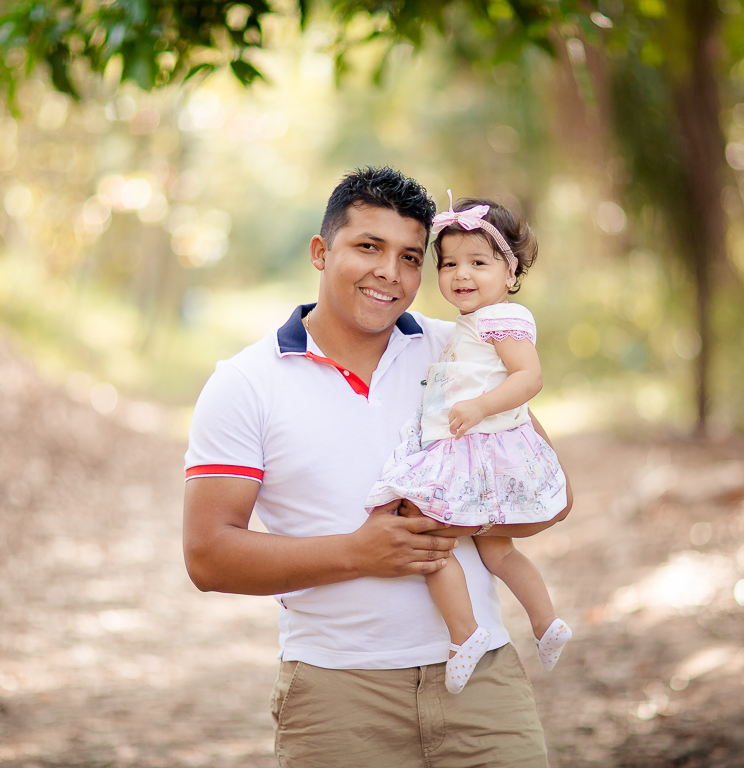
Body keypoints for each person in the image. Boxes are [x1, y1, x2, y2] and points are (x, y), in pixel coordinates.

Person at [182, 166, 572, 768]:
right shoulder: (246, 384)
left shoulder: (460, 348)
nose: (390, 271)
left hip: (484, 686)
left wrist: (463, 519)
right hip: (338, 694)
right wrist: (358, 553)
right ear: (321, 251)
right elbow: (208, 556)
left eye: (411, 257)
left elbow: (552, 495)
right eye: (369, 247)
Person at [366, 194, 571, 694]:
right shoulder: (475, 321)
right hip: (474, 445)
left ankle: (466, 634)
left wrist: (480, 407)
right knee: (497, 553)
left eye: (479, 263)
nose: (462, 274)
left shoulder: (502, 319)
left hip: (481, 448)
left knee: (424, 531)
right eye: (449, 263)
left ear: (510, 272)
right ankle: (546, 622)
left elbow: (529, 377)